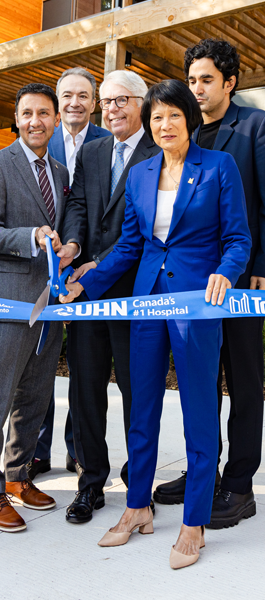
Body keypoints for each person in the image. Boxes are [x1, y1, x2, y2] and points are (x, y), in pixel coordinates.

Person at [62, 79, 250, 569]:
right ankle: (138, 507)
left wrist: (225, 274)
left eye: (173, 116)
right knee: (141, 408)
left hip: (195, 305)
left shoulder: (219, 167)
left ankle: (193, 522)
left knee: (198, 413)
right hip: (144, 302)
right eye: (157, 118)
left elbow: (237, 239)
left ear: (189, 119)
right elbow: (129, 244)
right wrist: (87, 282)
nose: (164, 125)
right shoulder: (142, 173)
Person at [154, 39, 265, 531]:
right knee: (201, 382)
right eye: (192, 80)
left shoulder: (255, 126)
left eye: (206, 80)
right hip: (195, 286)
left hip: (242, 278)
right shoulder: (185, 134)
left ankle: (240, 486)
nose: (197, 89)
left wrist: (261, 262)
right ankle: (206, 471)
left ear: (230, 83)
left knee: (243, 381)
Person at [0, 83, 79, 532]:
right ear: (17, 119)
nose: (36, 121)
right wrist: (31, 235)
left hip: (50, 300)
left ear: (55, 120)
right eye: (28, 113)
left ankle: (17, 477)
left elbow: (68, 222)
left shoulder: (59, 171)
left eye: (44, 113)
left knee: (35, 393)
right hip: (8, 298)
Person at [59, 70, 160, 524]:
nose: (112, 109)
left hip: (134, 291)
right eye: (108, 102)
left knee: (137, 391)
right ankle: (90, 483)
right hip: (84, 291)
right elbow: (78, 205)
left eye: (122, 100)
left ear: (141, 103)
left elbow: (140, 235)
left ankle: (140, 486)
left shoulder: (159, 151)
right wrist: (75, 246)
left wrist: (95, 273)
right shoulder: (95, 149)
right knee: (85, 388)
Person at [29, 67, 111, 481]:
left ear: (94, 102)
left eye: (83, 95)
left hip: (91, 270)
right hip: (42, 266)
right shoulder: (42, 139)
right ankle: (37, 450)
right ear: (58, 103)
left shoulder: (107, 141)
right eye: (67, 96)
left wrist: (82, 255)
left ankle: (80, 449)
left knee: (86, 367)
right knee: (41, 361)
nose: (75, 102)